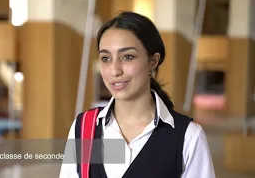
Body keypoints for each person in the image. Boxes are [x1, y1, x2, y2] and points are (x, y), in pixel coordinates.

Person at [59, 11, 215, 178]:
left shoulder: (187, 137)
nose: (114, 70)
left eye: (127, 57)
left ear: (152, 62)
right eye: (105, 58)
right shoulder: (84, 128)